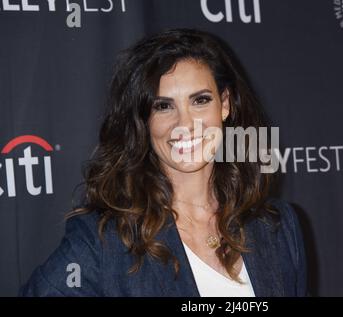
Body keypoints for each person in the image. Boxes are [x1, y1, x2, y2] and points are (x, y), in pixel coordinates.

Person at [20, 28, 307, 297]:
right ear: (143, 121)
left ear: (226, 104)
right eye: (163, 106)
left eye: (200, 100)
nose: (184, 124)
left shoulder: (277, 226)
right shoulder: (105, 240)